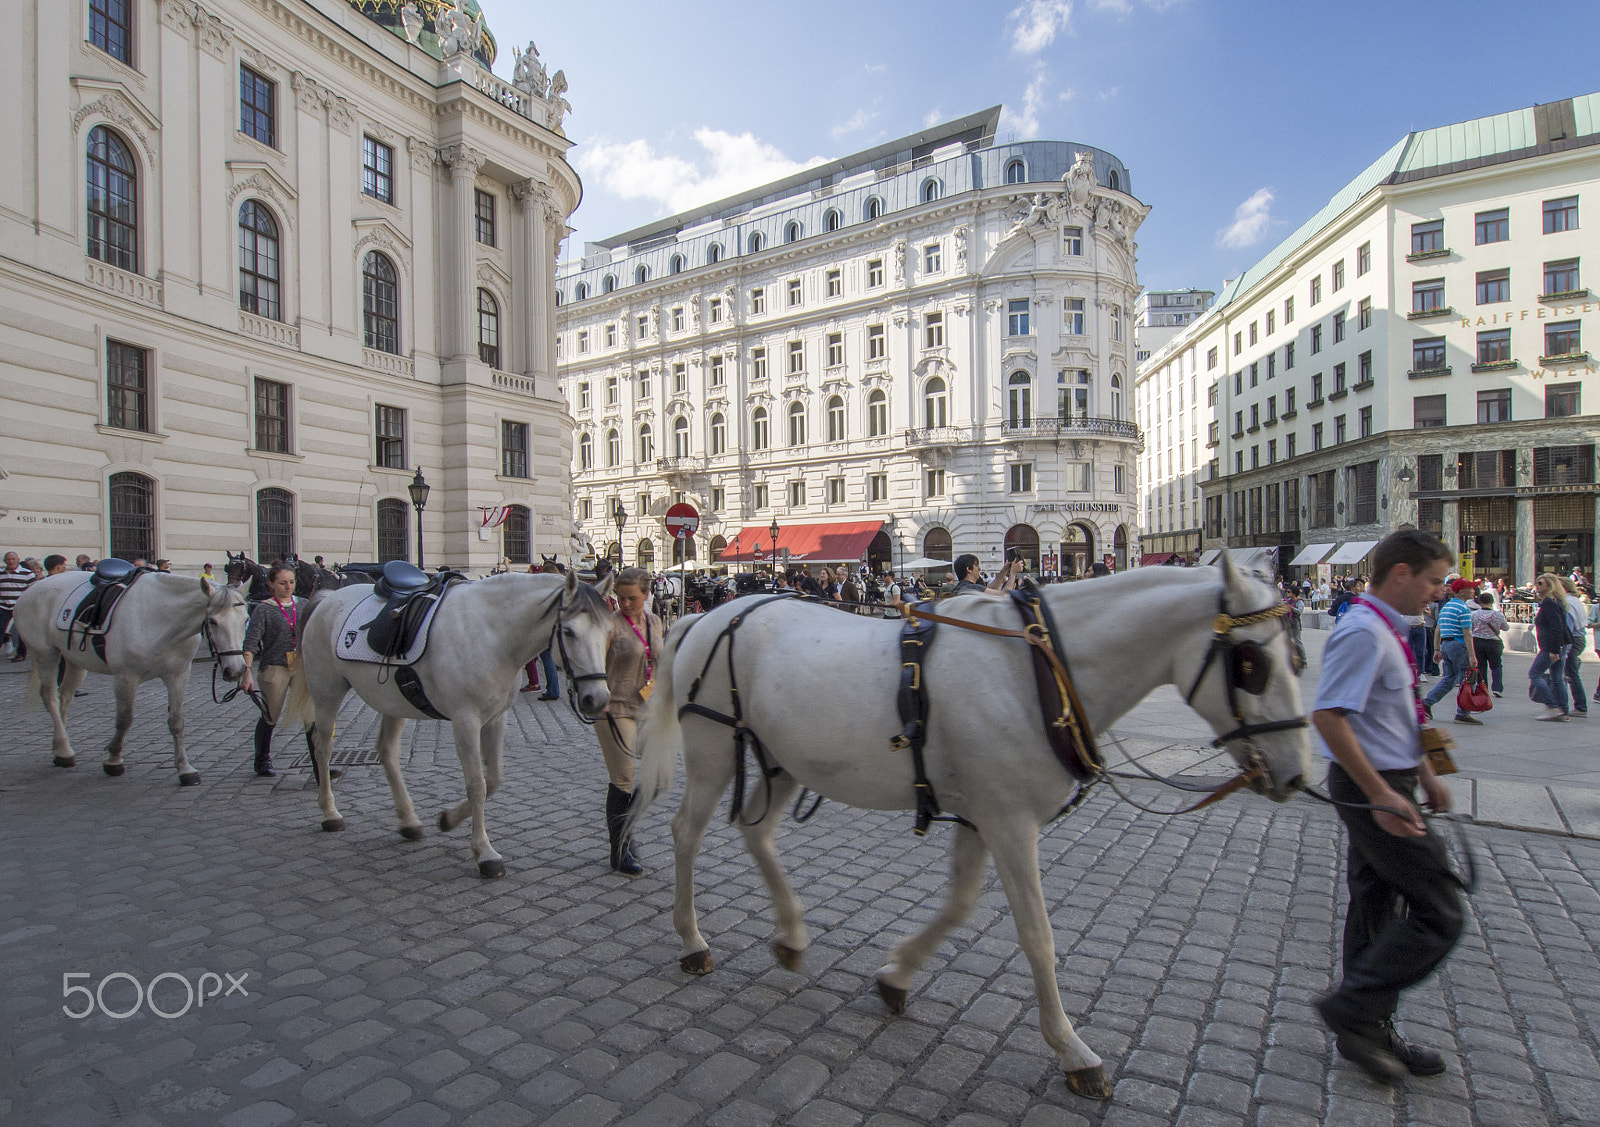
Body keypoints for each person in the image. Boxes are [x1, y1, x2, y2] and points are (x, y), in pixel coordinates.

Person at [1312, 529, 1462, 1084]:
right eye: (1432, 580)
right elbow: (1329, 717)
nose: (1438, 592)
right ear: (1401, 573)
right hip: (1371, 785)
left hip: (1392, 778)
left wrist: (1428, 772)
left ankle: (1368, 1028)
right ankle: (1352, 1007)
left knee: (1375, 904)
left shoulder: (1388, 631)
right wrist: (1380, 793)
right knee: (1440, 909)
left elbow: (1404, 712)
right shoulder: (1362, 633)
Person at [593, 567, 662, 875]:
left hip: (647, 707)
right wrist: (600, 700)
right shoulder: (609, 626)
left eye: (633, 598)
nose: (626, 603)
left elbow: (658, 661)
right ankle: (619, 849)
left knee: (657, 776)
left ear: (646, 595)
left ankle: (628, 826)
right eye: (621, 597)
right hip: (615, 707)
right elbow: (594, 666)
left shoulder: (655, 622)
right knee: (624, 778)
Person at [239, 564, 313, 777]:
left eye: (291, 582)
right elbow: (251, 643)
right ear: (271, 584)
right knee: (271, 714)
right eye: (282, 583)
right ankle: (262, 758)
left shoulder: (304, 605)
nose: (287, 587)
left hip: (300, 667)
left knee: (312, 716)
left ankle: (320, 763)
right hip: (275, 666)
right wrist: (246, 672)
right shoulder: (264, 609)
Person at [1422, 580, 1480, 725]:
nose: (1473, 591)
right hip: (1459, 646)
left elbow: (1438, 629)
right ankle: (1463, 712)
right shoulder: (1463, 608)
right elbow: (1467, 633)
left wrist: (1437, 649)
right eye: (1470, 589)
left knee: (1448, 678)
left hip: (1446, 645)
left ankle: (1427, 703)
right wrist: (1472, 655)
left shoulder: (1447, 606)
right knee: (1467, 679)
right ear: (1461, 592)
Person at [1529, 573, 1572, 722]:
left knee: (1535, 674)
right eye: (1536, 583)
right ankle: (1563, 710)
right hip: (1559, 643)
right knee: (1557, 678)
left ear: (1549, 585)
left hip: (1552, 645)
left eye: (1540, 583)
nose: (1537, 586)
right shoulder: (1555, 601)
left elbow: (1556, 627)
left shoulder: (1549, 603)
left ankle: (1552, 706)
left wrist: (1554, 649)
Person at [1469, 590, 1508, 698]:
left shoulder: (1474, 614)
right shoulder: (1498, 615)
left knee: (1481, 665)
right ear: (1492, 601)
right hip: (1493, 642)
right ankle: (1497, 688)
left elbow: (1470, 628)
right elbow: (1506, 627)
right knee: (1496, 665)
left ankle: (1482, 687)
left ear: (1480, 602)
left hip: (1477, 641)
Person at [1559, 576, 1588, 719]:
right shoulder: (1574, 600)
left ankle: (1581, 706)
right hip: (1578, 638)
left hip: (1573, 639)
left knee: (1571, 673)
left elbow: (1569, 626)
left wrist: (1565, 645)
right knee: (1571, 671)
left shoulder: (1568, 602)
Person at [1, 551, 36, 661]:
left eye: (13, 559)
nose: (10, 561)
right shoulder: (1, 573)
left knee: (21, 631)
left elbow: (33, 590)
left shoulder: (27, 573)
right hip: (3, 606)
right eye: (8, 559)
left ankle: (21, 654)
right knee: (1, 628)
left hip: (20, 606)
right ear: (4, 561)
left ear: (18, 559)